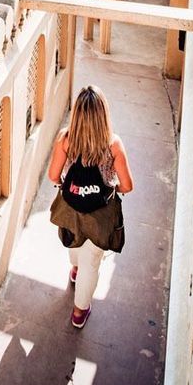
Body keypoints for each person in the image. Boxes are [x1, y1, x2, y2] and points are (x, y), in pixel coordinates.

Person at [48, 85, 134, 328]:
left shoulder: (65, 139)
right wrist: (111, 187)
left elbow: (53, 176)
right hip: (100, 217)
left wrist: (69, 185)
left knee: (75, 245)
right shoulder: (113, 145)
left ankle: (75, 269)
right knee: (91, 264)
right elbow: (127, 186)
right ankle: (78, 313)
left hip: (72, 210)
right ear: (103, 115)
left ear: (76, 115)